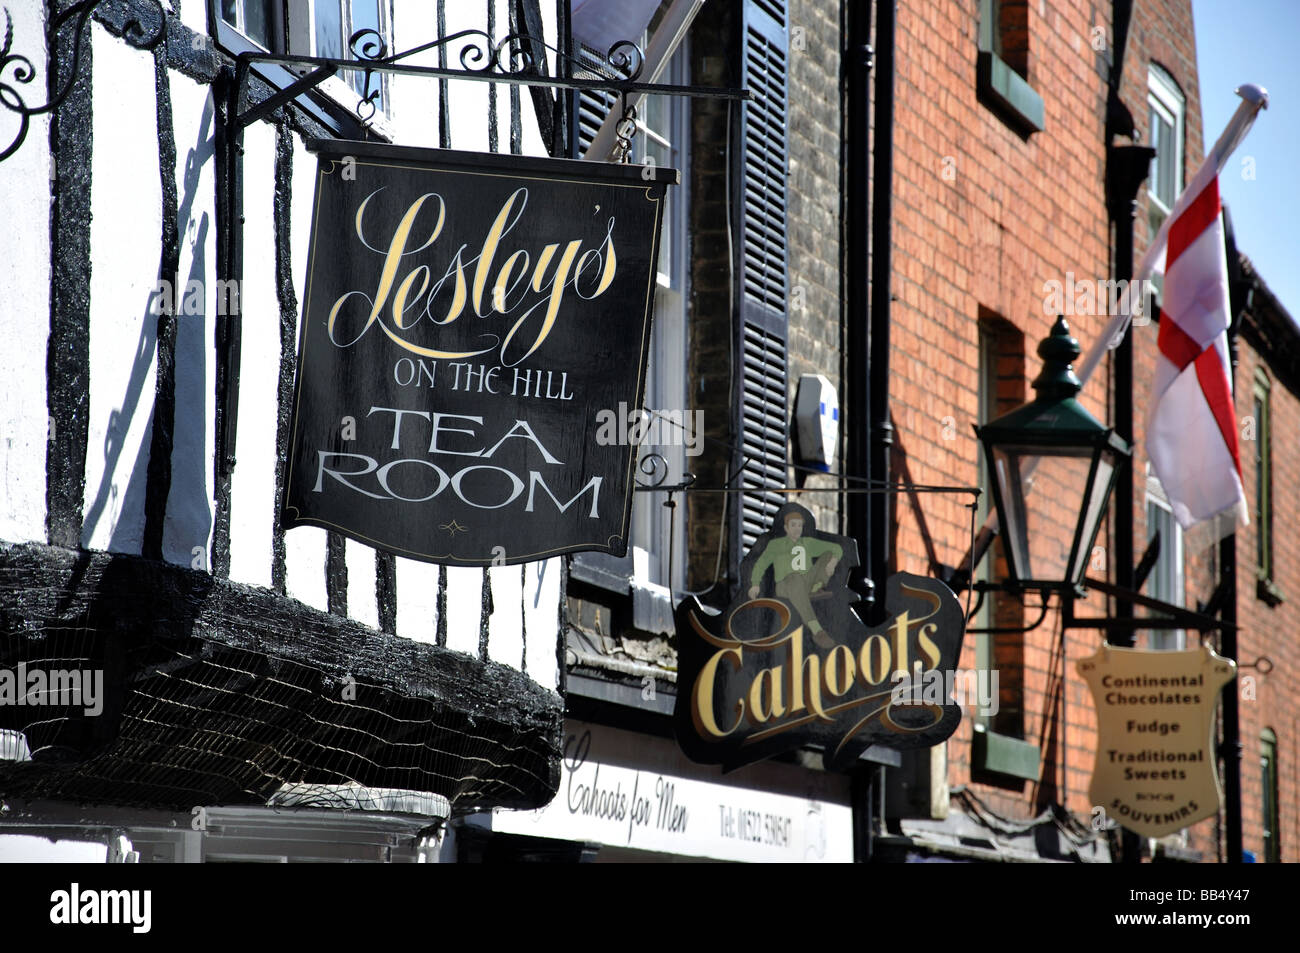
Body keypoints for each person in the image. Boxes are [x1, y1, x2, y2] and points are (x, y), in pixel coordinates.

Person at [748, 508, 841, 648]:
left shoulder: (808, 543)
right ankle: (817, 630)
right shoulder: (776, 545)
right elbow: (761, 564)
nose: (797, 529)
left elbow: (837, 549)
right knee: (795, 578)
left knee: (828, 555)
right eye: (793, 525)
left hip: (806, 583)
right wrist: (755, 584)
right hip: (785, 585)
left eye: (799, 525)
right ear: (786, 528)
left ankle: (816, 588)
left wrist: (832, 563)